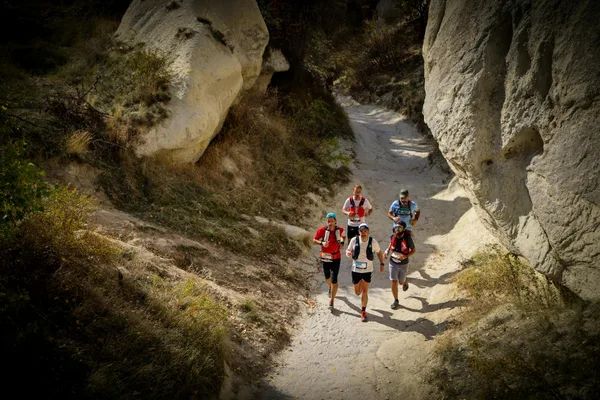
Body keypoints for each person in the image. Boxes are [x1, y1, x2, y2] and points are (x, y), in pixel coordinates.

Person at [345, 223, 384, 322]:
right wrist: (348, 253)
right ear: (359, 232)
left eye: (365, 231)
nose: (363, 233)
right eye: (361, 231)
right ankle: (361, 290)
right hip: (356, 269)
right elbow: (348, 250)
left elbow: (379, 252)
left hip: (368, 270)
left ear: (368, 231)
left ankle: (363, 311)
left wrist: (382, 263)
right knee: (357, 292)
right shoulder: (354, 240)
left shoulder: (373, 242)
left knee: (365, 291)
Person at [313, 212, 345, 308]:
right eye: (328, 221)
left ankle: (332, 300)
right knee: (327, 277)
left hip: (336, 257)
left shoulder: (340, 230)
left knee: (334, 279)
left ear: (335, 221)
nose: (330, 223)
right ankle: (330, 287)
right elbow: (314, 240)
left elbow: (343, 237)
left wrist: (342, 243)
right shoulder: (322, 230)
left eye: (332, 221)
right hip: (325, 257)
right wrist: (322, 243)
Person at [383, 221, 416, 309]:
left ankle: (405, 281)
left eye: (400, 228)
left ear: (404, 229)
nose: (397, 229)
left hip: (403, 264)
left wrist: (405, 256)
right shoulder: (393, 236)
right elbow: (391, 244)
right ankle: (396, 300)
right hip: (392, 262)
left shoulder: (408, 239)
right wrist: (387, 251)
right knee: (394, 281)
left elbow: (413, 250)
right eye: (396, 227)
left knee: (401, 282)